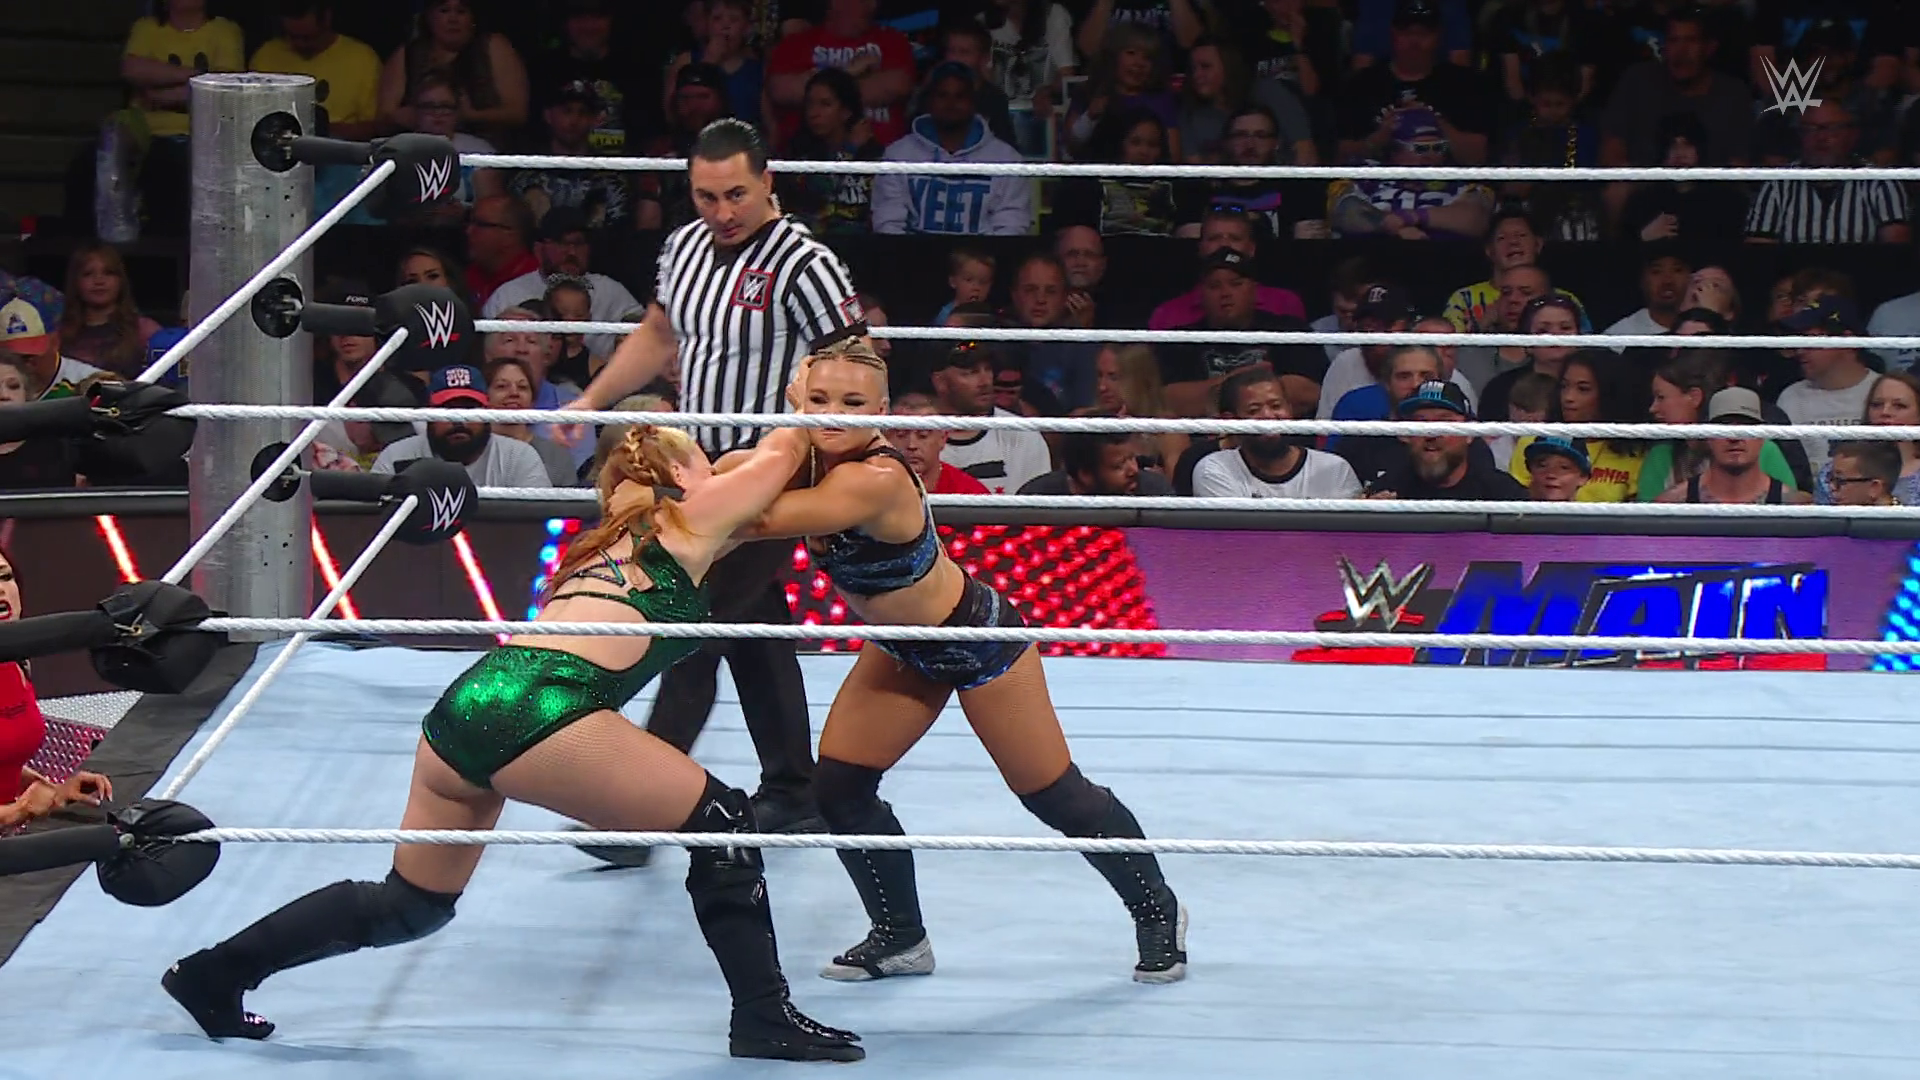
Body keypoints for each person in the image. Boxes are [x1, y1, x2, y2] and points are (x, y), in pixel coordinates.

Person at [160, 424, 864, 1062]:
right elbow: (779, 453)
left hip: (470, 703)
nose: (716, 474)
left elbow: (741, 478)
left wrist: (714, 462)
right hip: (543, 704)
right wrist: (813, 404)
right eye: (703, 464)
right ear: (679, 476)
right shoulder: (688, 517)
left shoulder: (602, 540)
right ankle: (763, 1016)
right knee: (723, 821)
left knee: (412, 903)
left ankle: (212, 974)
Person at [735, 338, 1188, 984]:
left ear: (882, 411)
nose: (834, 413)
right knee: (839, 789)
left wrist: (678, 490)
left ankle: (1158, 909)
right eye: (820, 399)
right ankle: (900, 937)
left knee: (1055, 795)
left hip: (977, 641)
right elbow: (739, 472)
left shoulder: (875, 478)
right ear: (798, 400)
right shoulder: (808, 451)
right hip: (903, 648)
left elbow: (754, 516)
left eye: (853, 402)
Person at [556, 118, 870, 859]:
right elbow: (659, 335)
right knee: (750, 626)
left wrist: (833, 464)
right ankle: (794, 790)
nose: (723, 211)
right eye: (706, 196)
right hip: (698, 470)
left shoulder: (805, 262)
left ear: (767, 182)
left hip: (771, 473)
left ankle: (639, 813)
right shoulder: (684, 249)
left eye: (736, 194)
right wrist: (593, 399)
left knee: (689, 624)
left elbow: (853, 364)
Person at [0, 548, 113, 827]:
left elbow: (6, 762)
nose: (1, 590)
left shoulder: (15, 662)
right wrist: (18, 811)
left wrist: (56, 792)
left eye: (5, 577)